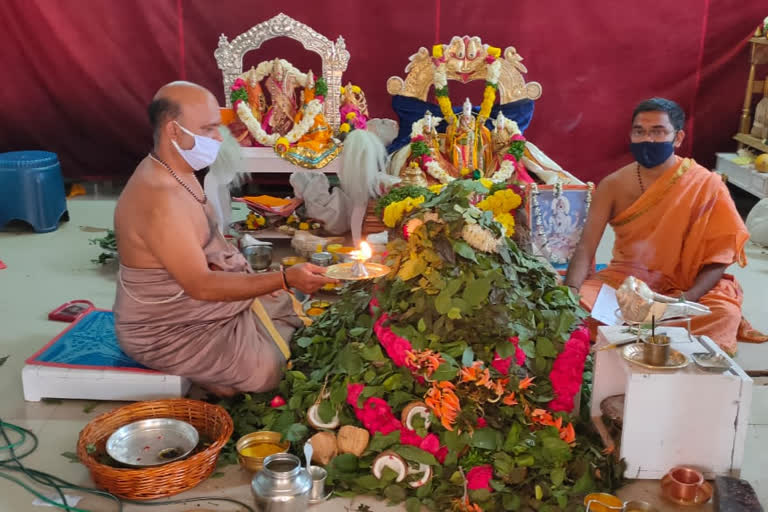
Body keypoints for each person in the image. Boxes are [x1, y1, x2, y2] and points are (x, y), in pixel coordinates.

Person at [113, 81, 336, 396]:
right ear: (173, 131)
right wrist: (283, 278)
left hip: (201, 306)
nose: (218, 138)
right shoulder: (159, 201)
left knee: (285, 304)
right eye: (208, 129)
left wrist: (270, 283)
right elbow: (202, 286)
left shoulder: (179, 167)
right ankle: (222, 372)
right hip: (166, 329)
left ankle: (225, 367)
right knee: (267, 371)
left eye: (217, 127)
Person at [565, 97, 766, 355]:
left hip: (688, 288)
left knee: (723, 314)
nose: (648, 139)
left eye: (658, 131)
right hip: (628, 283)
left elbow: (720, 257)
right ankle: (661, 332)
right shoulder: (613, 185)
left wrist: (685, 300)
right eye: (640, 131)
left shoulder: (707, 184)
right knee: (579, 303)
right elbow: (586, 246)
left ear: (678, 137)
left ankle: (637, 332)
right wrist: (569, 291)